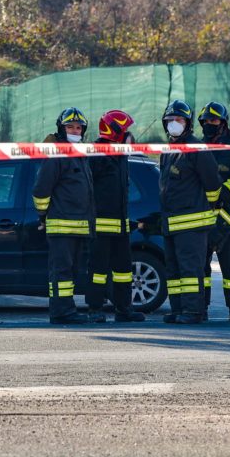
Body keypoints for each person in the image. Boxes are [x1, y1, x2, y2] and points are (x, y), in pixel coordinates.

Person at [33, 107, 101, 324]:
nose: (75, 131)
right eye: (70, 127)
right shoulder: (57, 154)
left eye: (78, 128)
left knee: (70, 272)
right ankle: (61, 312)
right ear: (61, 129)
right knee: (61, 272)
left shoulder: (80, 154)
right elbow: (41, 190)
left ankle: (67, 309)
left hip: (79, 227)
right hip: (61, 226)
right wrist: (43, 215)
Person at [158, 100, 222, 324]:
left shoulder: (197, 148)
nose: (174, 123)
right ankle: (178, 309)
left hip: (192, 224)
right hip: (171, 222)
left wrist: (207, 206)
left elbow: (213, 183)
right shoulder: (168, 150)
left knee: (190, 271)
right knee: (174, 272)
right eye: (170, 120)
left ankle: (193, 311)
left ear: (187, 123)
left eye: (179, 119)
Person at [87, 110, 145, 322]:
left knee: (123, 271)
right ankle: (95, 309)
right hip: (101, 225)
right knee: (98, 271)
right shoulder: (96, 152)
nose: (129, 134)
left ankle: (124, 309)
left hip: (121, 224)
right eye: (126, 130)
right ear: (114, 131)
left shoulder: (120, 154)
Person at [198, 101, 230, 322]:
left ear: (223, 123)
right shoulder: (198, 147)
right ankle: (202, 306)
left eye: (213, 120)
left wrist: (220, 193)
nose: (209, 124)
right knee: (202, 268)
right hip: (204, 217)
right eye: (206, 121)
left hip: (228, 218)